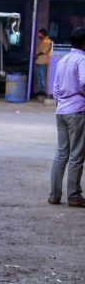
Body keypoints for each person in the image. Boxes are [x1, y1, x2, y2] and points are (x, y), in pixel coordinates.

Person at [49, 26, 85, 207]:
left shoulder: (63, 60)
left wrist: (60, 104)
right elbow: (84, 82)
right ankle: (74, 196)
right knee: (77, 155)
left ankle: (54, 195)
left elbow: (55, 89)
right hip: (77, 111)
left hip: (61, 110)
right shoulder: (82, 59)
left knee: (61, 154)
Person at [34, 29, 53, 100]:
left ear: (43, 34)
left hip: (43, 61)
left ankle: (43, 92)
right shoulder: (42, 41)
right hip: (38, 61)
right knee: (39, 77)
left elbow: (45, 51)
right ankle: (40, 91)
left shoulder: (48, 41)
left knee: (42, 78)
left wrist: (36, 55)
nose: (39, 36)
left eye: (40, 34)